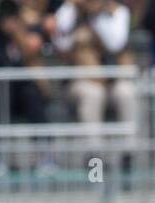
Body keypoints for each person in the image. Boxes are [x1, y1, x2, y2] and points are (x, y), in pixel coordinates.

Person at [51, 0, 137, 128]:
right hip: (81, 80)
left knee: (126, 92)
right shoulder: (70, 9)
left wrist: (97, 16)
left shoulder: (118, 11)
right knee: (94, 94)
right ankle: (94, 147)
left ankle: (132, 146)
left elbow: (115, 45)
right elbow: (61, 44)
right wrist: (74, 8)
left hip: (113, 78)